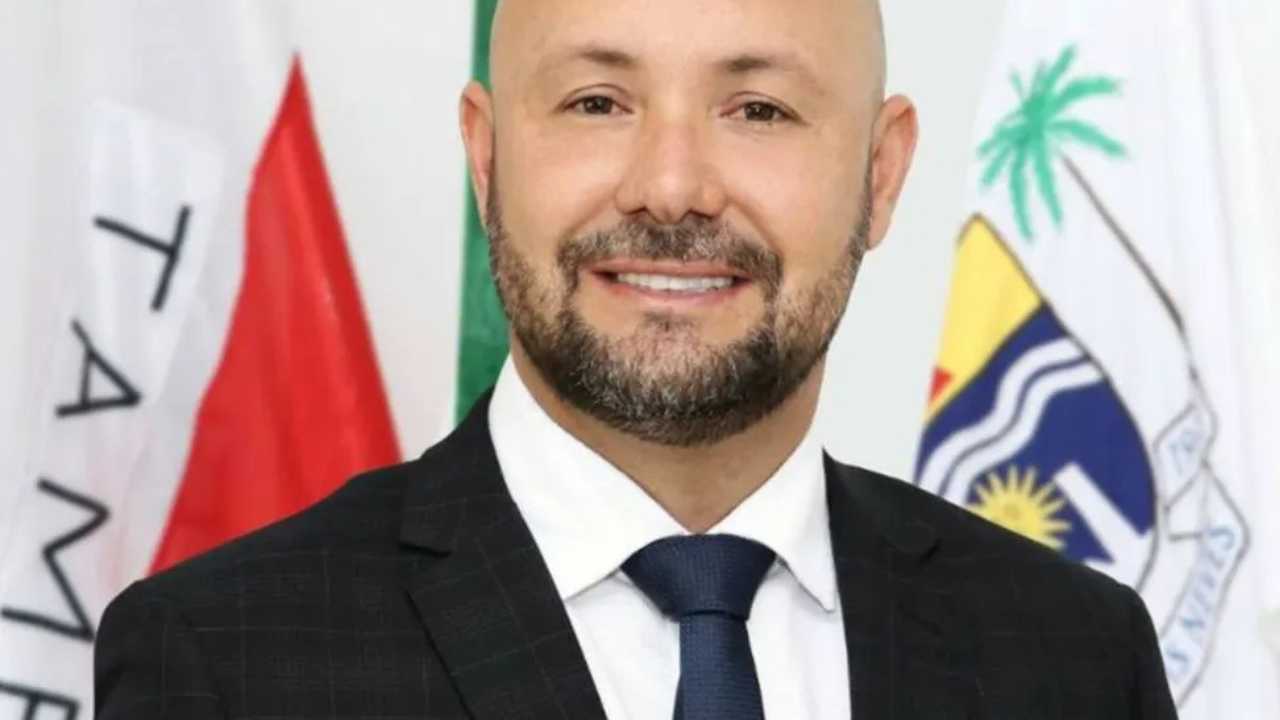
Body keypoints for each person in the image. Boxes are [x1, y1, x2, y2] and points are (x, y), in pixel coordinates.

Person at [95, 0, 1178, 717]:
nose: (669, 187)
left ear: (881, 173)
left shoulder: (1075, 659)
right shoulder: (225, 660)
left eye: (758, 109)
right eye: (597, 103)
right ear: (485, 157)